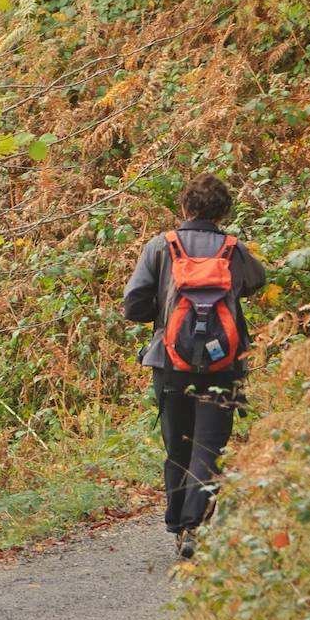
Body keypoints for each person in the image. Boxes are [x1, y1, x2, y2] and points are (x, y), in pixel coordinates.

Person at [123, 174, 266, 559]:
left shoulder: (160, 247)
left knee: (178, 446)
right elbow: (257, 282)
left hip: (169, 363)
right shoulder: (234, 250)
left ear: (184, 208)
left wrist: (167, 312)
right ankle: (193, 525)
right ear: (223, 212)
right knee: (210, 446)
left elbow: (133, 305)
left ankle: (176, 522)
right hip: (225, 363)